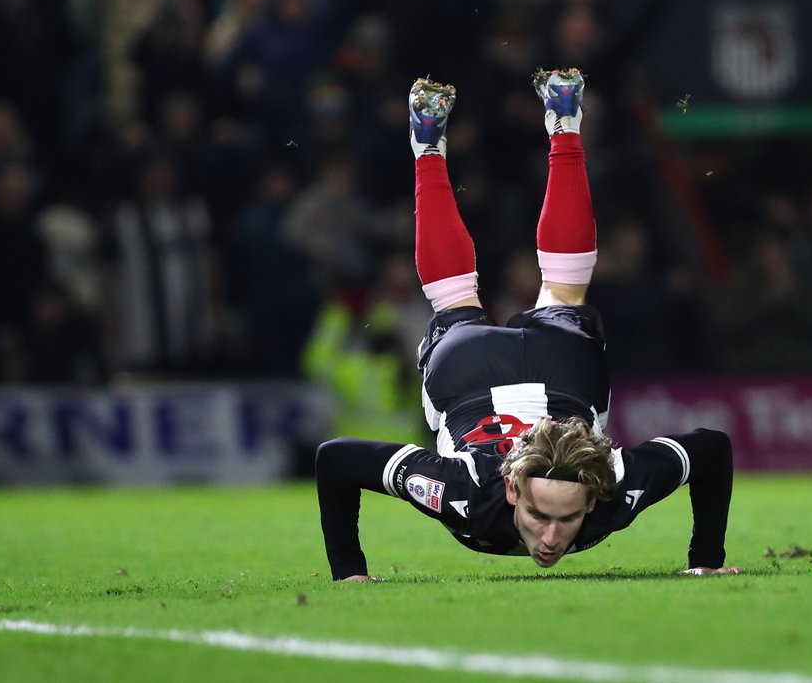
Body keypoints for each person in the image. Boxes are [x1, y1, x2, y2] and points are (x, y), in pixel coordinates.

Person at [316, 69, 737, 581]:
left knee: (539, 288)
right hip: (521, 369)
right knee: (470, 298)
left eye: (566, 517)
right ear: (513, 489)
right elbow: (710, 446)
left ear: (593, 499)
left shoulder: (580, 485)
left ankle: (518, 132)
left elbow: (337, 460)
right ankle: (482, 140)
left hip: (504, 371)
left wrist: (349, 572)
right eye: (541, 514)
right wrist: (705, 561)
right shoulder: (589, 484)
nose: (552, 538)